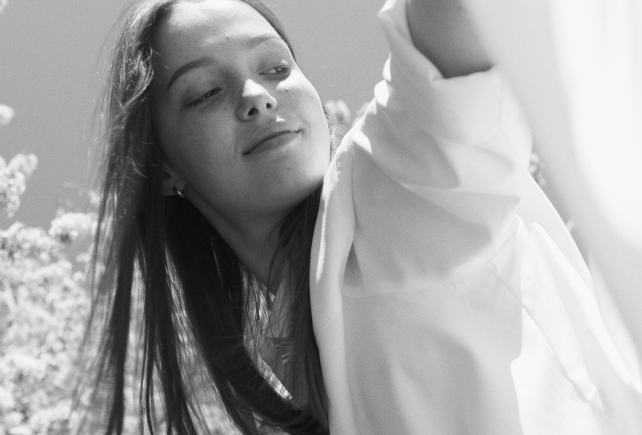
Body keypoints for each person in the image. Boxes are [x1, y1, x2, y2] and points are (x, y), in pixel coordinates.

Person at [88, 0, 641, 434]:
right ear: (161, 167)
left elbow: (452, 25)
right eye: (206, 92)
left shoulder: (388, 186)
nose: (257, 96)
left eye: (277, 67)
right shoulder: (297, 361)